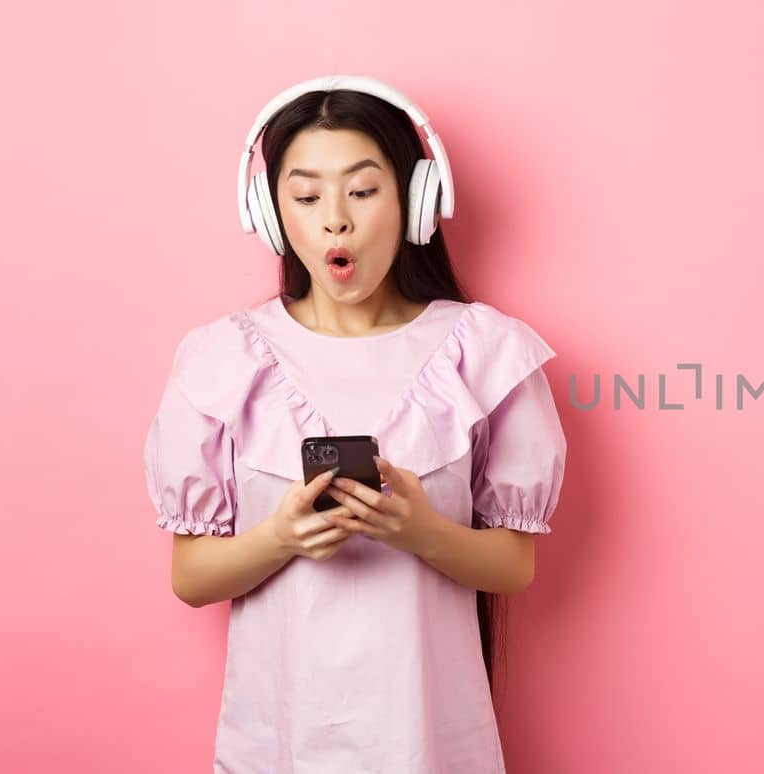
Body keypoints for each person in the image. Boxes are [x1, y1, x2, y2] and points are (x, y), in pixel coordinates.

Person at [141, 75, 567, 772]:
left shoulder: (486, 352)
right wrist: (280, 537)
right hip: (278, 745)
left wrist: (420, 532)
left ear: (417, 201)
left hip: (430, 744)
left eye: (363, 191)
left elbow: (513, 566)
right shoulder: (220, 360)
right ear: (270, 212)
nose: (334, 219)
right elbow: (191, 577)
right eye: (306, 197)